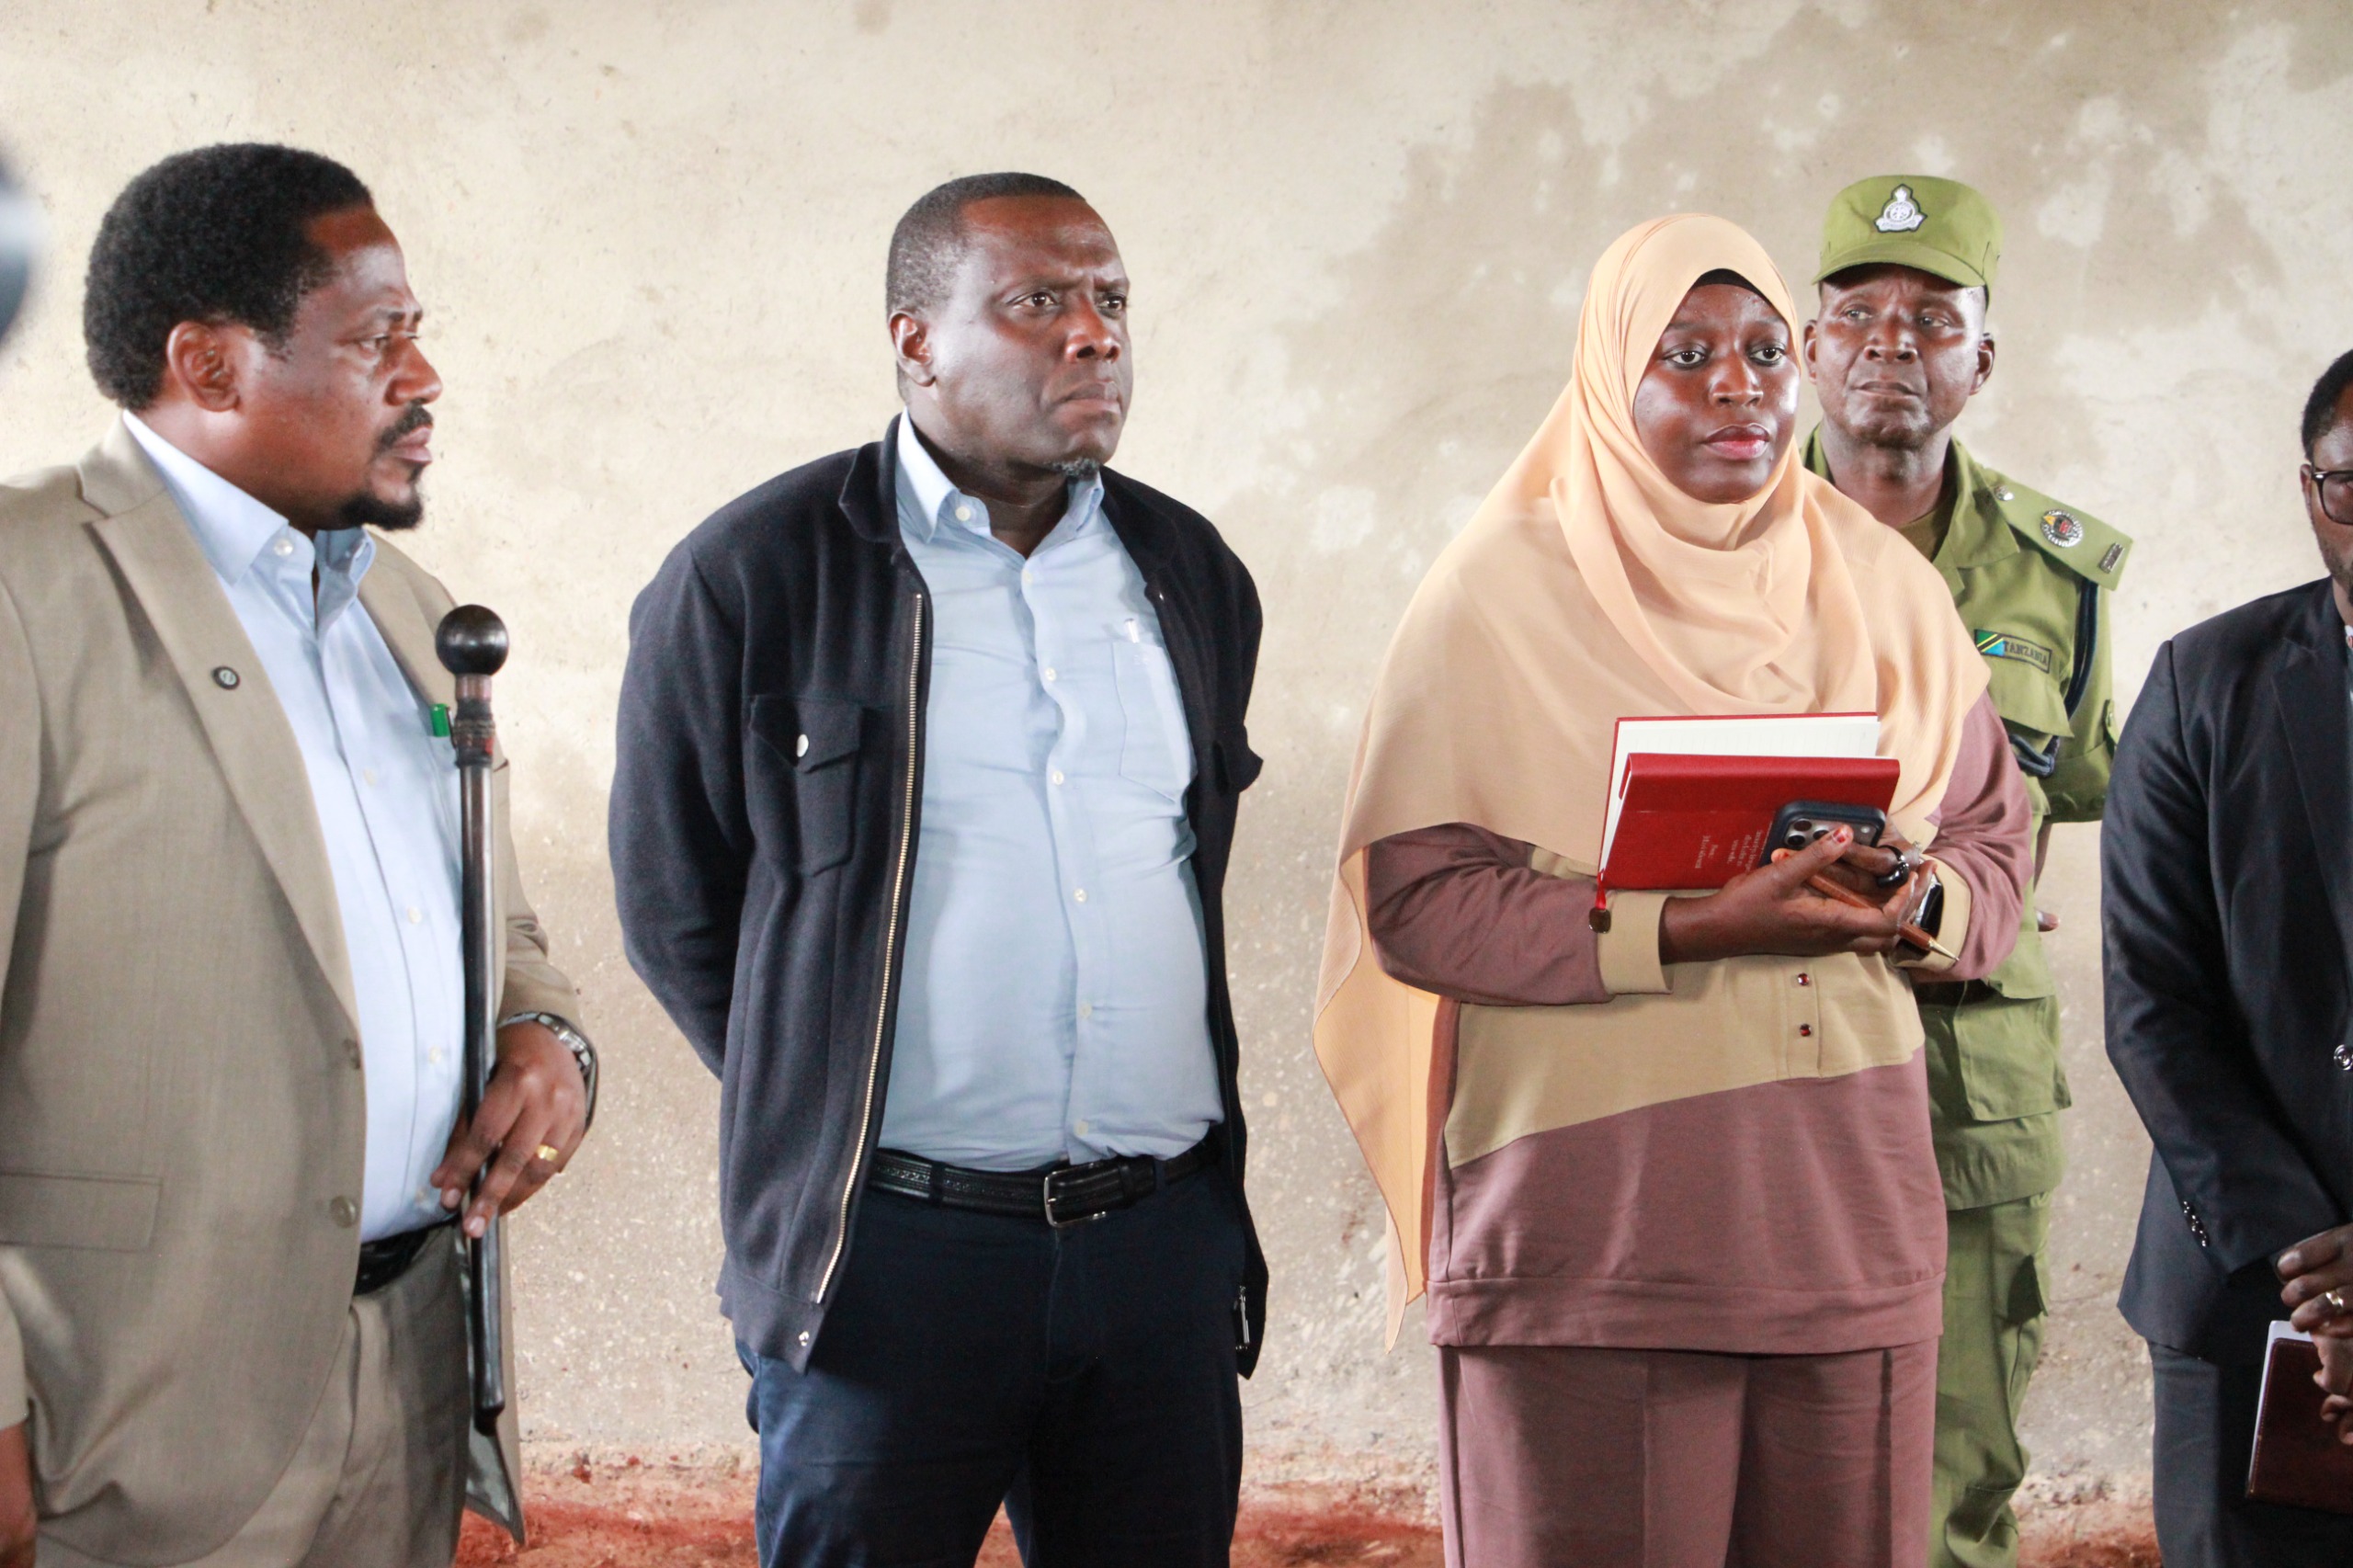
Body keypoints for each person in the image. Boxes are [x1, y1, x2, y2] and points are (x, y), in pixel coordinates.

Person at [1313, 214, 2033, 1568]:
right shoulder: (1494, 597)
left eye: (1764, 352)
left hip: (1845, 1220)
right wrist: (1694, 927)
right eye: (1685, 355)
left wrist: (1913, 904)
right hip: (1596, 1225)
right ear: (1607, 376)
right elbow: (1419, 904)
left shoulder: (1884, 590)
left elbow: (1995, 845)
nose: (1737, 387)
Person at [610, 172, 1266, 1568]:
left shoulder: (1188, 571)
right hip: (889, 1265)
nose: (1094, 333)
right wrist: (828, 1090)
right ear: (915, 340)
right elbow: (676, 910)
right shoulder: (757, 573)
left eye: (1112, 300)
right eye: (1039, 301)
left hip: (1157, 1256)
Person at [0, 144, 594, 1568]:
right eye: (379, 339)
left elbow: (504, 932)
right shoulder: (26, 587)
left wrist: (551, 1038)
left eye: (418, 333)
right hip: (122, 1425)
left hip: (410, 1385)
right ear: (209, 364)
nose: (425, 377)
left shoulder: (411, 608)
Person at [1800, 174, 2132, 1568]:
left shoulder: (2062, 577)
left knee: (1955, 1470)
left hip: (1968, 1067)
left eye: (1933, 318)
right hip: (1765, 1043)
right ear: (1809, 347)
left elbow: (2083, 789)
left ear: (1980, 360)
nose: (1892, 343)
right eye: (1857, 313)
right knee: (1773, 1462)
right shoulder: (1709, 540)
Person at [2103, 347, 2353, 1564]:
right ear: (2313, 491)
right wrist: (2320, 1273)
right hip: (2248, 1283)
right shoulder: (2205, 682)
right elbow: (2155, 1004)